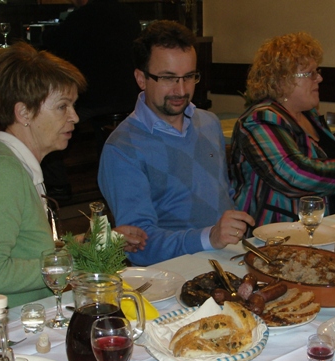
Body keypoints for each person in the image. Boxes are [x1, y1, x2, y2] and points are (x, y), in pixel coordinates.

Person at [0, 43, 146, 325]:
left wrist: (98, 242)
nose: (75, 116)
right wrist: (73, 261)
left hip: (18, 319)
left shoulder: (16, 165)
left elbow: (28, 252)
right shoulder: (2, 173)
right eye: (63, 106)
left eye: (72, 105)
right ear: (24, 112)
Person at [98, 21, 254, 266]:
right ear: (141, 78)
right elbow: (138, 247)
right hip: (175, 272)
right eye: (168, 78)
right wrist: (209, 237)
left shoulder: (208, 123)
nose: (181, 90)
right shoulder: (122, 148)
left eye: (189, 77)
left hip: (231, 258)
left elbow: (223, 198)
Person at [229, 32, 335, 227]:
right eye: (310, 73)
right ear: (282, 81)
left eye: (317, 71)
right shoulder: (261, 120)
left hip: (326, 224)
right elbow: (293, 174)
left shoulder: (307, 114)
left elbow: (320, 154)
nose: (319, 78)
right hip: (279, 230)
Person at [40, 0, 142, 201]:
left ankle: (58, 186)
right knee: (103, 128)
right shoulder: (127, 13)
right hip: (129, 95)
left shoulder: (79, 18)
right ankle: (115, 181)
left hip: (93, 98)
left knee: (50, 125)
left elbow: (51, 43)